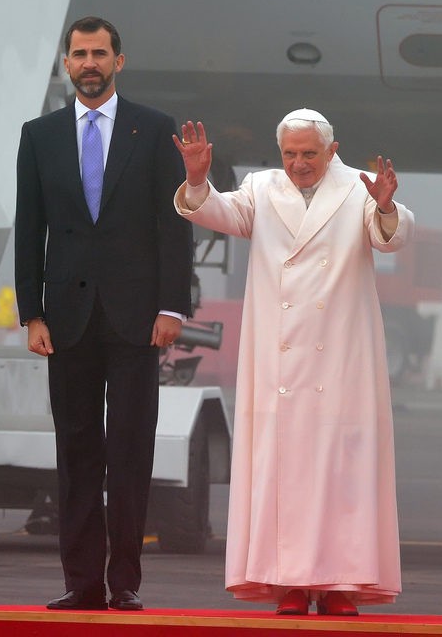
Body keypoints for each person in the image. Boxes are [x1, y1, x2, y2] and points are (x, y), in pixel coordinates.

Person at [172, 109, 413, 616]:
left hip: (341, 356)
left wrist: (388, 209)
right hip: (280, 364)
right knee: (288, 471)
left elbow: (389, 234)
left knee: (344, 470)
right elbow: (215, 212)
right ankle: (291, 583)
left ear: (332, 149)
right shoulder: (262, 189)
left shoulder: (358, 188)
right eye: (290, 154)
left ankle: (344, 582)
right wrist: (197, 180)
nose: (299, 163)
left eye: (309, 153)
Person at [15, 16, 193, 611]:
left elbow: (174, 227)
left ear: (120, 60)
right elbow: (29, 229)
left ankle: (125, 583)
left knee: (130, 449)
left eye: (100, 53)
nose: (89, 63)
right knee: (78, 451)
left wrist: (173, 306)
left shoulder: (154, 130)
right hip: (66, 318)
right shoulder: (38, 136)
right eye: (79, 54)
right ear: (66, 64)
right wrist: (31, 313)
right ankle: (82, 582)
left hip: (138, 316)